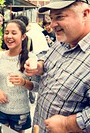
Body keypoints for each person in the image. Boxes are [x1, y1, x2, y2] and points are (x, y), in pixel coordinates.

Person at [24, 0, 90, 132]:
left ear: (85, 14)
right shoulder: (62, 41)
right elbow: (47, 60)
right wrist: (39, 66)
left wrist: (68, 124)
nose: (53, 25)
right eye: (51, 18)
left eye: (59, 17)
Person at [0, 19, 39, 133]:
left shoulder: (31, 59)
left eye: (14, 33)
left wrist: (23, 82)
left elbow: (37, 86)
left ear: (23, 36)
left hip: (20, 113)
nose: (9, 36)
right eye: (6, 33)